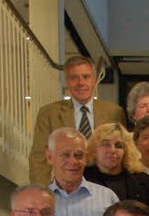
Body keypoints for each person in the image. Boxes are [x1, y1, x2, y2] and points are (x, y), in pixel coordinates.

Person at [29, 56, 125, 185]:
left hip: (105, 184)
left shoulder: (114, 112)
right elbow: (39, 158)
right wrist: (42, 192)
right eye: (74, 78)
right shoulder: (49, 114)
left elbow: (123, 153)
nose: (80, 83)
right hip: (64, 186)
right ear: (67, 82)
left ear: (94, 80)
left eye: (86, 77)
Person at [47, 128, 118, 216]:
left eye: (79, 155)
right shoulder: (39, 203)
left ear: (86, 158)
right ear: (49, 157)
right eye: (65, 155)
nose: (72, 161)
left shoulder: (107, 198)